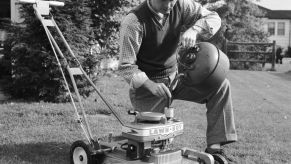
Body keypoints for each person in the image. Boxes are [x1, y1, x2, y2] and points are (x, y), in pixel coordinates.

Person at [118, 0, 237, 162]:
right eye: (164, 2)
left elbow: (214, 17)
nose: (169, 6)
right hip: (147, 87)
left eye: (172, 1)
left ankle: (214, 150)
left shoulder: (180, 5)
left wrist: (195, 30)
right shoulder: (133, 22)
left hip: (176, 78)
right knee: (152, 150)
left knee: (221, 86)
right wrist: (150, 85)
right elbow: (126, 67)